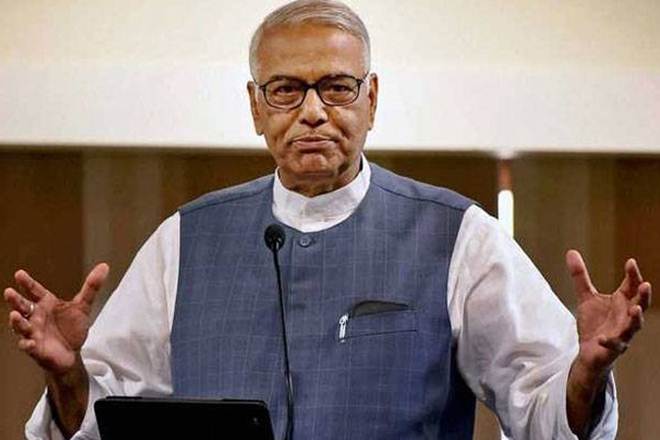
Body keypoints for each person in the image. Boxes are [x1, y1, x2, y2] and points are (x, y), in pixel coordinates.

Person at [4, 1, 652, 439]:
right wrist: (68, 377)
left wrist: (586, 374)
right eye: (286, 90)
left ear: (371, 100)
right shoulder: (184, 241)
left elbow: (543, 413)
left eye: (337, 87)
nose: (312, 111)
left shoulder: (461, 237)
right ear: (256, 108)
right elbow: (102, 421)